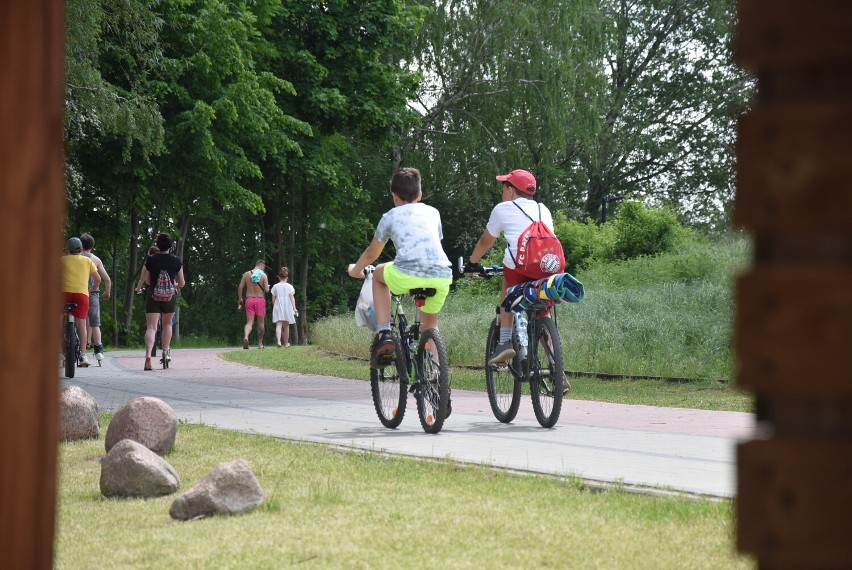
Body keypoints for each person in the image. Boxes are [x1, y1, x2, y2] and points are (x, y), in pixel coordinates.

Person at [348, 167, 452, 367]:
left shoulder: (390, 216)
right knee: (430, 326)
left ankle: (385, 332)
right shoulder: (433, 213)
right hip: (441, 274)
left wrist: (354, 270)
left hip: (407, 273)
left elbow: (372, 253)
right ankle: (438, 378)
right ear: (420, 195)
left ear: (394, 196)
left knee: (379, 273)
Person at [466, 169, 557, 364]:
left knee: (507, 286)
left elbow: (486, 240)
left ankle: (505, 342)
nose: (502, 192)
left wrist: (472, 263)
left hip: (521, 268)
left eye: (503, 187)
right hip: (549, 267)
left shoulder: (502, 209)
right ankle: (555, 362)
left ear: (511, 190)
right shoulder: (543, 209)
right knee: (543, 309)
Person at [135, 233, 185, 370]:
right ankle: (165, 351)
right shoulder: (176, 260)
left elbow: (146, 280)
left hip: (153, 295)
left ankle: (148, 356)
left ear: (157, 245)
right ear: (170, 245)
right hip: (170, 296)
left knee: (151, 327)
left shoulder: (151, 260)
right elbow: (182, 282)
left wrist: (144, 287)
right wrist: (174, 286)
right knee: (167, 323)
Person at [61, 237, 101, 367]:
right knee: (82, 325)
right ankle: (83, 356)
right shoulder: (87, 260)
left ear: (68, 249)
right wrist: (91, 290)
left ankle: (59, 353)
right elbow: (98, 279)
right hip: (82, 296)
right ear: (81, 249)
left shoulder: (61, 260)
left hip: (64, 295)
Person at [80, 233, 111, 364]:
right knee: (95, 322)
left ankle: (80, 351)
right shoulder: (96, 260)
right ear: (92, 246)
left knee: (79, 321)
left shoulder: (75, 258)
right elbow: (107, 279)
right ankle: (98, 351)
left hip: (78, 291)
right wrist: (107, 292)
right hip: (93, 293)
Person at [237, 259, 270, 349]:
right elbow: (266, 290)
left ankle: (246, 337)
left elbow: (240, 287)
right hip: (260, 300)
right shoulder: (263, 275)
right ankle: (260, 344)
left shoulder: (246, 274)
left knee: (249, 322)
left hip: (249, 300)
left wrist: (240, 299)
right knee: (261, 324)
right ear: (261, 266)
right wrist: (267, 287)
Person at [271, 267, 298, 347]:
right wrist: (294, 307)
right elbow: (292, 298)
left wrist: (275, 307)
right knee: (286, 325)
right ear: (287, 277)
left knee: (278, 325)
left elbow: (273, 299)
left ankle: (279, 341)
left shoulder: (275, 286)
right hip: (287, 306)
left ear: (279, 277)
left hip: (278, 305)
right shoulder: (290, 286)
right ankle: (286, 343)